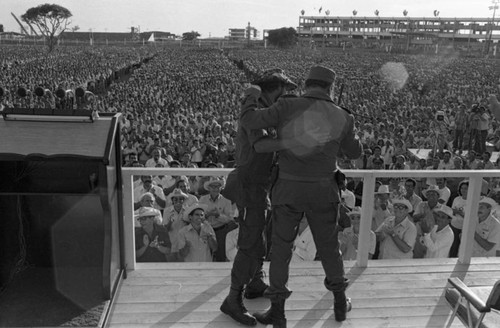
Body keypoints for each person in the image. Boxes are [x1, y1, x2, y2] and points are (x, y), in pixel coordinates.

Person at [240, 65, 362, 325]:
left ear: (307, 84)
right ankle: (340, 303)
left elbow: (250, 120)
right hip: (324, 191)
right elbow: (354, 152)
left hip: (288, 190)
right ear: (329, 87)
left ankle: (278, 311)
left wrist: (251, 96)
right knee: (330, 248)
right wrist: (345, 127)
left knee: (281, 250)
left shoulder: (287, 106)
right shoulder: (343, 115)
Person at [220, 68, 301, 326]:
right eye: (284, 90)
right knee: (248, 245)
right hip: (249, 187)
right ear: (274, 89)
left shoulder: (265, 113)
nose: (286, 95)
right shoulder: (255, 114)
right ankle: (232, 300)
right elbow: (261, 145)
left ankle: (254, 284)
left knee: (259, 243)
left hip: (259, 188)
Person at [199, 177, 235, 262]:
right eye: (213, 186)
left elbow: (229, 219)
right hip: (206, 230)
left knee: (221, 255)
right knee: (205, 255)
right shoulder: (202, 199)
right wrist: (206, 215)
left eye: (217, 186)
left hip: (220, 231)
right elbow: (198, 216)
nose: (215, 188)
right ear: (209, 188)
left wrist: (218, 215)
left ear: (221, 188)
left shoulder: (226, 201)